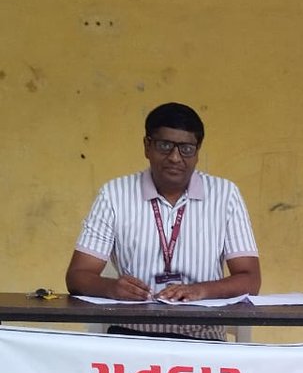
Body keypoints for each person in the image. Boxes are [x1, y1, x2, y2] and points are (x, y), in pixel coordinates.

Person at [65, 102, 261, 338]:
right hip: (130, 336)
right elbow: (77, 276)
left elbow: (250, 279)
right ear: (147, 146)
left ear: (198, 151)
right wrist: (111, 288)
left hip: (204, 339)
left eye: (186, 148)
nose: (175, 157)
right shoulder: (114, 194)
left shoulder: (225, 195)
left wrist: (200, 290)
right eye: (165, 145)